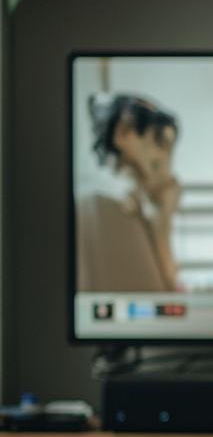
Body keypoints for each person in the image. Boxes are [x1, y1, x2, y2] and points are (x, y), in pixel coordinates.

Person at [77, 95, 182, 292]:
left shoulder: (111, 203)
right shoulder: (118, 207)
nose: (166, 168)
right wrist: (164, 215)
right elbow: (167, 286)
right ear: (123, 132)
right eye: (159, 140)